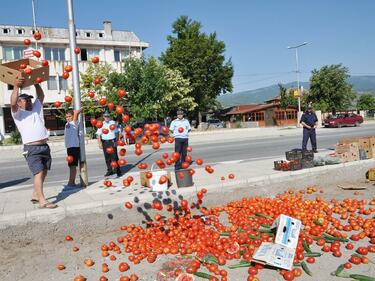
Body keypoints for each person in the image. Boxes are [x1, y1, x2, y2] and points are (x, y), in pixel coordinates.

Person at [10, 77, 57, 209]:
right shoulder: (18, 114)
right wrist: (15, 87)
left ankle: (36, 194)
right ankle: (42, 201)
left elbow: (41, 95)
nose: (30, 102)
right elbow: (12, 102)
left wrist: (36, 83)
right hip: (32, 148)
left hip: (44, 146)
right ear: (20, 102)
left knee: (45, 171)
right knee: (39, 172)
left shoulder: (35, 109)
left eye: (30, 99)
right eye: (26, 100)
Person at [96, 111, 121, 177]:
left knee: (114, 157)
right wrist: (100, 143)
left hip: (112, 141)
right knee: (107, 158)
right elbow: (98, 134)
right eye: (105, 116)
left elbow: (117, 132)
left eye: (108, 116)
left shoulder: (113, 123)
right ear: (103, 117)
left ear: (109, 116)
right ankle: (109, 170)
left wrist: (117, 141)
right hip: (105, 142)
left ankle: (118, 171)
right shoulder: (101, 124)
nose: (106, 117)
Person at [64, 108, 83, 188]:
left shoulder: (74, 123)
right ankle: (72, 182)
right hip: (70, 147)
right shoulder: (67, 124)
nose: (68, 118)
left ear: (73, 116)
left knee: (72, 166)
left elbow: (76, 116)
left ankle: (71, 182)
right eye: (66, 117)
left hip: (74, 147)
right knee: (71, 165)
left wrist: (78, 111)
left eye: (69, 116)